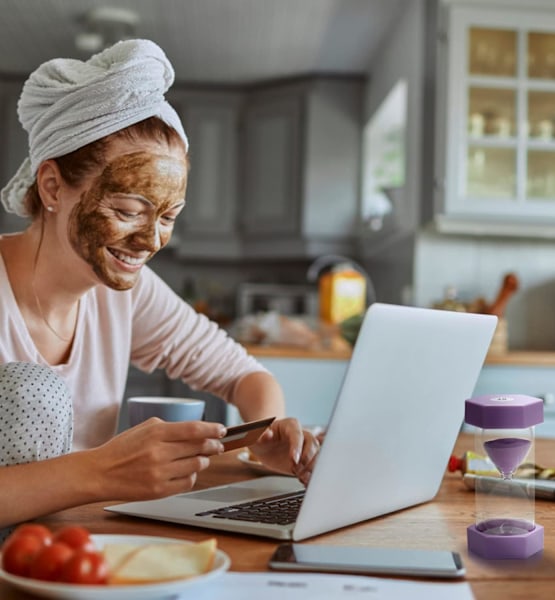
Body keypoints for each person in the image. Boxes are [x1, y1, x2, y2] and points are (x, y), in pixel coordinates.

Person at [0, 39, 319, 537]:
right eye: (127, 211)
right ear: (53, 188)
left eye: (168, 216)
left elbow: (247, 377)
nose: (150, 241)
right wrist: (102, 471)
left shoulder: (129, 293)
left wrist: (271, 431)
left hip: (73, 557)